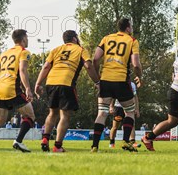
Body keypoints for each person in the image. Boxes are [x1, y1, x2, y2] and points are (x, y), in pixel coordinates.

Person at [34, 30, 100, 153]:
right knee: (65, 115)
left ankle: (45, 139)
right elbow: (88, 66)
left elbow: (46, 66)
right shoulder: (80, 49)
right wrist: (97, 82)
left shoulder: (56, 49)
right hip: (66, 82)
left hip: (51, 82)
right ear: (75, 39)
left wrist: (37, 83)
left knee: (52, 113)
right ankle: (57, 146)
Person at [90, 18, 142, 153]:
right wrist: (139, 76)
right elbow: (136, 64)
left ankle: (94, 146)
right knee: (129, 111)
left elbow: (95, 59)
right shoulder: (132, 40)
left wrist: (98, 77)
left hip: (105, 80)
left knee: (102, 113)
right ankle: (126, 141)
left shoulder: (106, 38)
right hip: (122, 81)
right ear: (128, 28)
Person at [0, 29, 36, 153]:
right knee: (30, 116)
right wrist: (27, 88)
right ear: (23, 39)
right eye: (27, 38)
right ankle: (18, 141)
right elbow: (22, 70)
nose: (28, 40)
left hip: (0, 89)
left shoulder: (4, 53)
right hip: (12, 88)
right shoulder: (23, 52)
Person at [108, 81, 140, 148]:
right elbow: (113, 96)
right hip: (118, 108)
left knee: (132, 125)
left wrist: (137, 109)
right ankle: (112, 142)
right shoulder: (117, 82)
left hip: (129, 107)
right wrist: (111, 106)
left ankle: (132, 142)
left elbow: (135, 97)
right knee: (115, 127)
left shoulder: (132, 84)